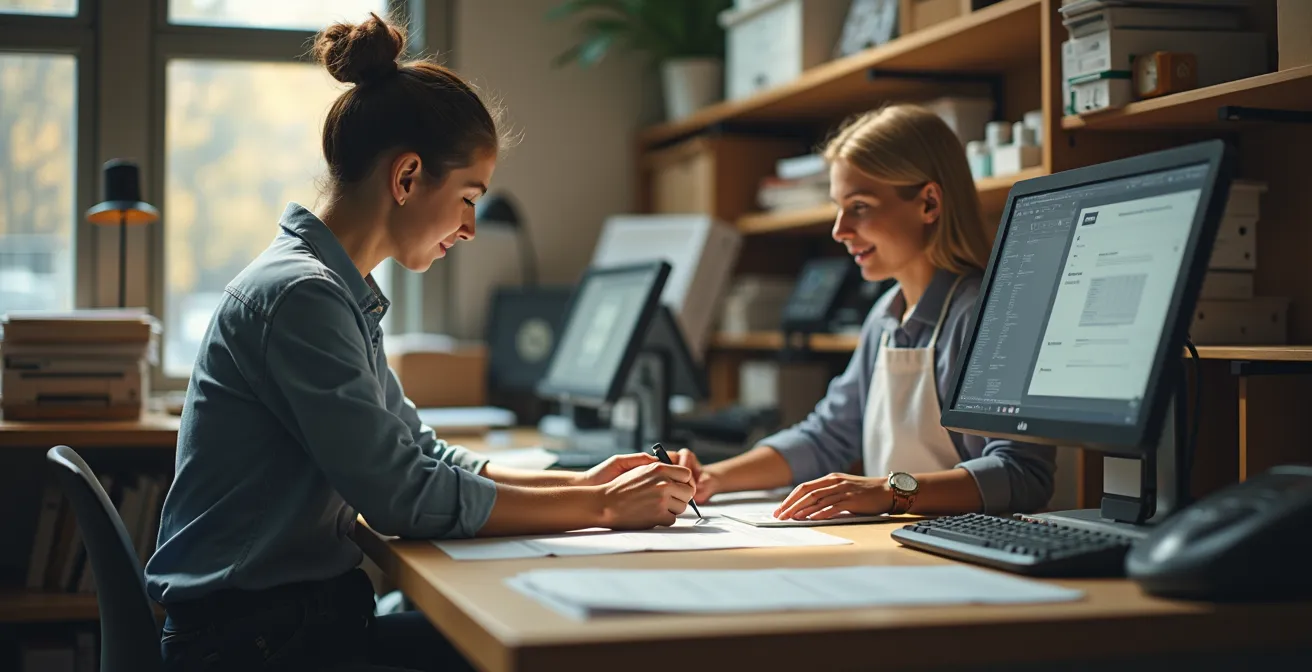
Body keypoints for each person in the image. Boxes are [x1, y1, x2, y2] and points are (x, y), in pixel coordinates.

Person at [145, 14, 694, 672]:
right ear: (407, 178)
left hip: (287, 624)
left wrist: (581, 481)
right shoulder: (303, 296)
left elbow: (418, 453)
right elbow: (402, 496)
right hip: (258, 644)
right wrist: (601, 507)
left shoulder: (335, 291)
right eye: (467, 197)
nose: (469, 227)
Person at [677, 104, 1055, 521]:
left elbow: (1021, 473)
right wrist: (713, 477)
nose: (839, 230)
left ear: (928, 203)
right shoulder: (886, 316)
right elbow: (827, 436)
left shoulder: (988, 317)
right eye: (839, 207)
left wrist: (889, 492)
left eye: (859, 206)